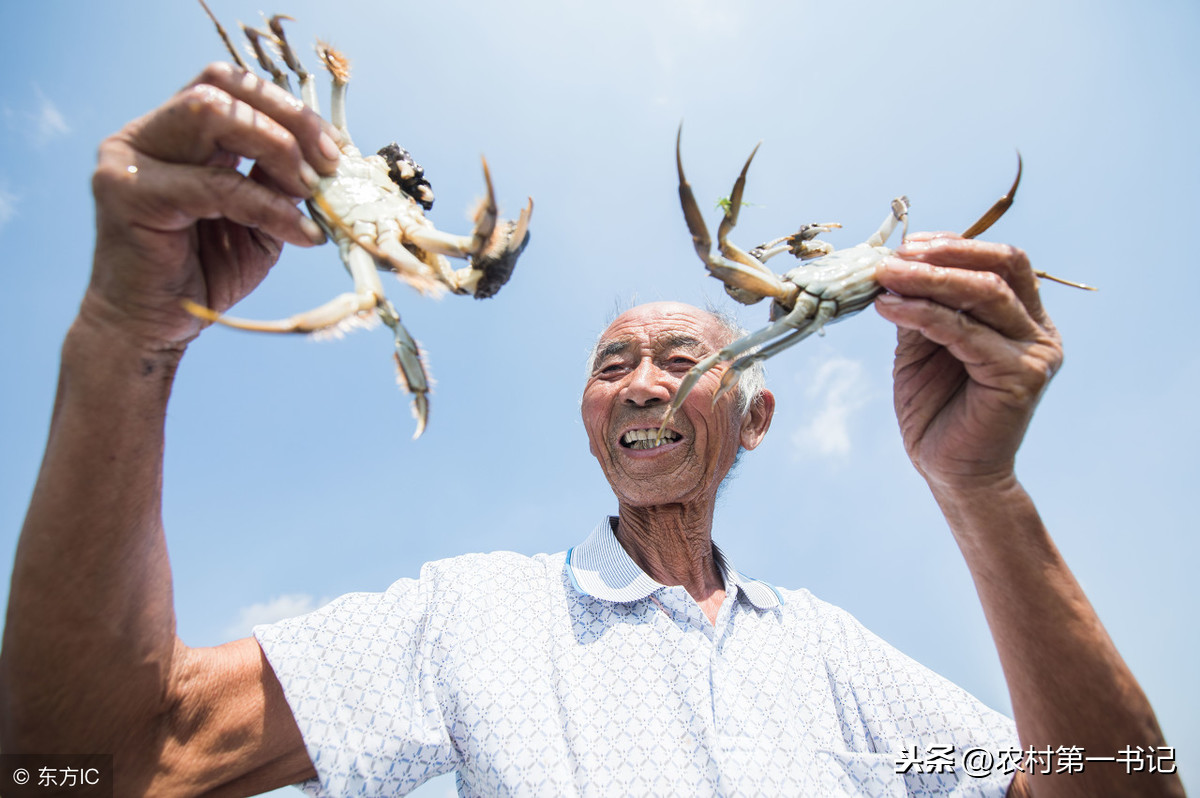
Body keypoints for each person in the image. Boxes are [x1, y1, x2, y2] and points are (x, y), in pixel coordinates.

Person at [0, 63, 1182, 798]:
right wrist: (124, 334)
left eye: (684, 356)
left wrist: (984, 489)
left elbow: (1116, 784)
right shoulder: (468, 623)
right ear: (587, 419)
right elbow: (83, 767)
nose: (646, 382)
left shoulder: (836, 661)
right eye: (612, 363)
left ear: (757, 415)